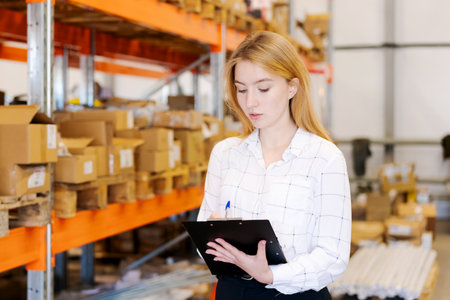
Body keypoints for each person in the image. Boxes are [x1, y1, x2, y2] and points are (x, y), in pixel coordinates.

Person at [197, 31, 351, 299]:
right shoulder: (225, 154)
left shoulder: (324, 159)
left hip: (295, 294)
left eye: (263, 88)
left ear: (292, 87)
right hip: (232, 291)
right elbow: (203, 241)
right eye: (241, 89)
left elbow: (333, 256)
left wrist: (271, 275)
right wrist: (213, 238)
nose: (250, 102)